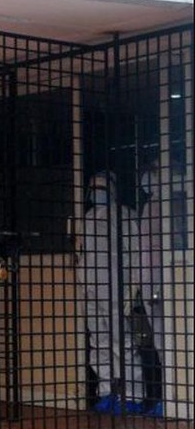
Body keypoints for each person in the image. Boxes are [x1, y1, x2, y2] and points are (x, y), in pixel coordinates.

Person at [77, 171, 143, 415]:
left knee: (122, 343)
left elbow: (137, 255)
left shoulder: (125, 216)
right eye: (94, 189)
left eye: (102, 189)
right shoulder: (88, 218)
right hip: (90, 287)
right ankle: (107, 392)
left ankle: (133, 395)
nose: (97, 193)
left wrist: (132, 290)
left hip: (115, 287)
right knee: (99, 342)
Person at [132, 167, 165, 417]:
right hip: (150, 280)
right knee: (157, 341)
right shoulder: (149, 207)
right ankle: (163, 396)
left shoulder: (163, 204)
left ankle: (168, 396)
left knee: (165, 340)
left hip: (158, 279)